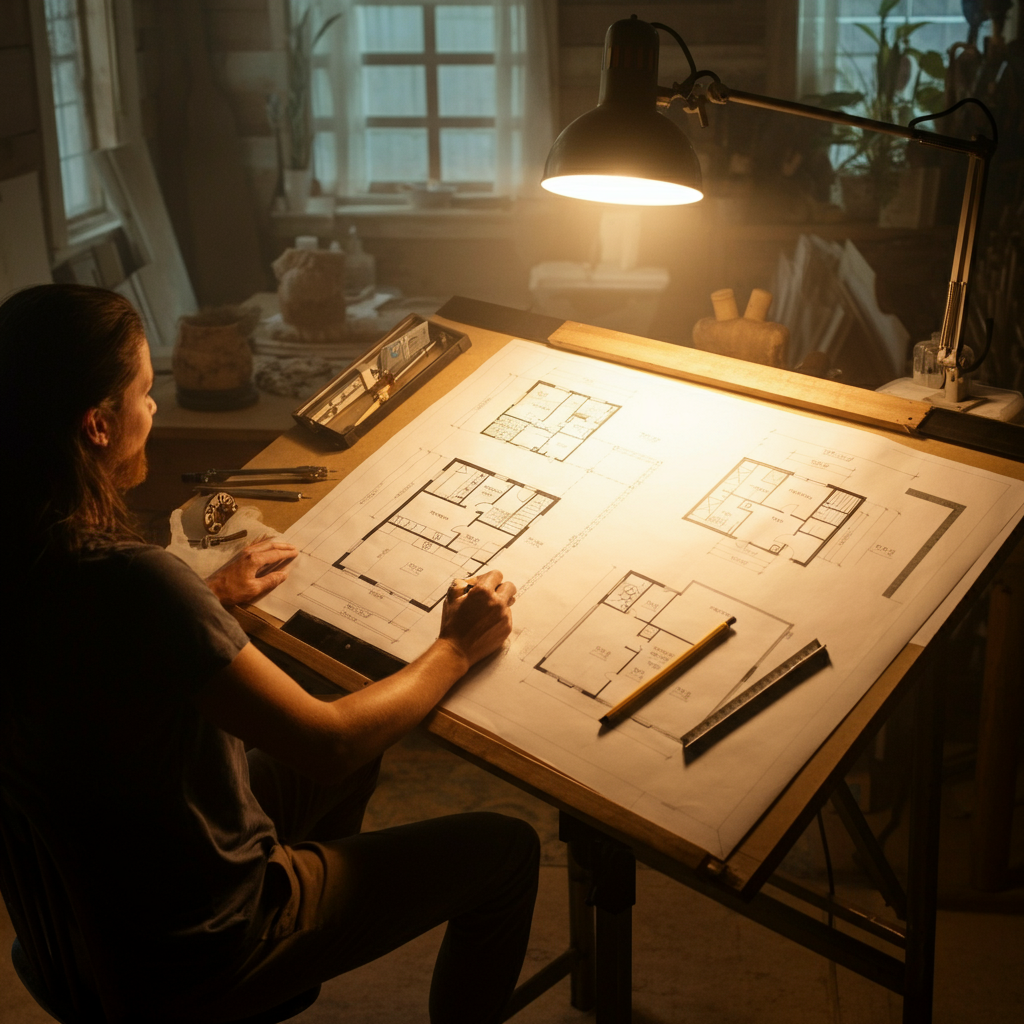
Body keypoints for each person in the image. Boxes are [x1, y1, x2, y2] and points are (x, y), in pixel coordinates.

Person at [0, 284, 539, 1023]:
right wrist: (454, 646)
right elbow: (330, 743)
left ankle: (292, 963)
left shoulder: (33, 562)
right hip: (189, 945)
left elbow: (94, 659)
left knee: (356, 746)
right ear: (97, 425)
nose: (153, 411)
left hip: (67, 932)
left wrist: (208, 601)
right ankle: (274, 946)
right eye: (145, 394)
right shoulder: (136, 582)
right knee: (504, 850)